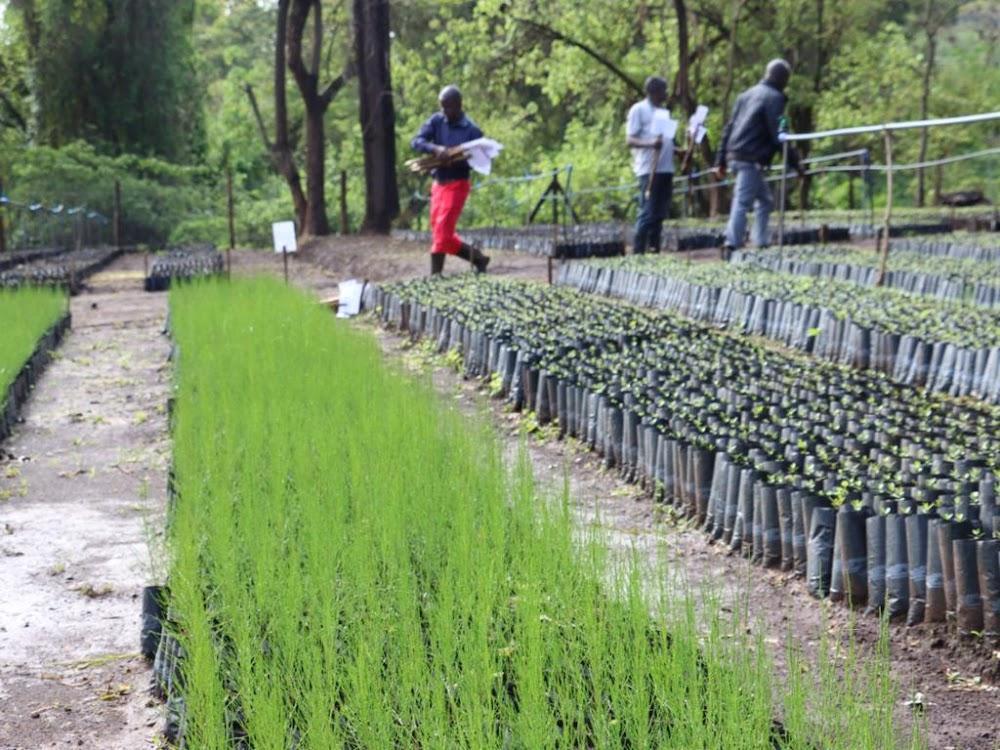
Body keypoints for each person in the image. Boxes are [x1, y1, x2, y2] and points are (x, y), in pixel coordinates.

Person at [713, 59, 803, 258]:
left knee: (765, 200)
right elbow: (780, 134)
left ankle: (761, 241)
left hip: (734, 154)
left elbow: (729, 128)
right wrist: (796, 164)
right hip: (750, 157)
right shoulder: (775, 98)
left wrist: (720, 160)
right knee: (742, 200)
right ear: (782, 79)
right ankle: (731, 243)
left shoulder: (745, 95)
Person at [411, 85, 490, 275]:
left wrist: (455, 160)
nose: (444, 110)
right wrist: (436, 149)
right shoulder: (437, 121)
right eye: (442, 106)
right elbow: (417, 141)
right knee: (439, 233)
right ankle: (478, 258)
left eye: (448, 107)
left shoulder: (472, 131)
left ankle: (435, 276)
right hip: (438, 184)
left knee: (443, 231)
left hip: (457, 185)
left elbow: (479, 162)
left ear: (458, 105)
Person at [626, 76, 678, 254]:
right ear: (654, 92)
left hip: (666, 169)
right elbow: (630, 139)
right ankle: (638, 252)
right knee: (647, 212)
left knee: (659, 214)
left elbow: (668, 139)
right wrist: (650, 144)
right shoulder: (638, 109)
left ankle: (654, 250)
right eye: (664, 90)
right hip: (649, 169)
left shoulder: (663, 112)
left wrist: (678, 151)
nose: (666, 94)